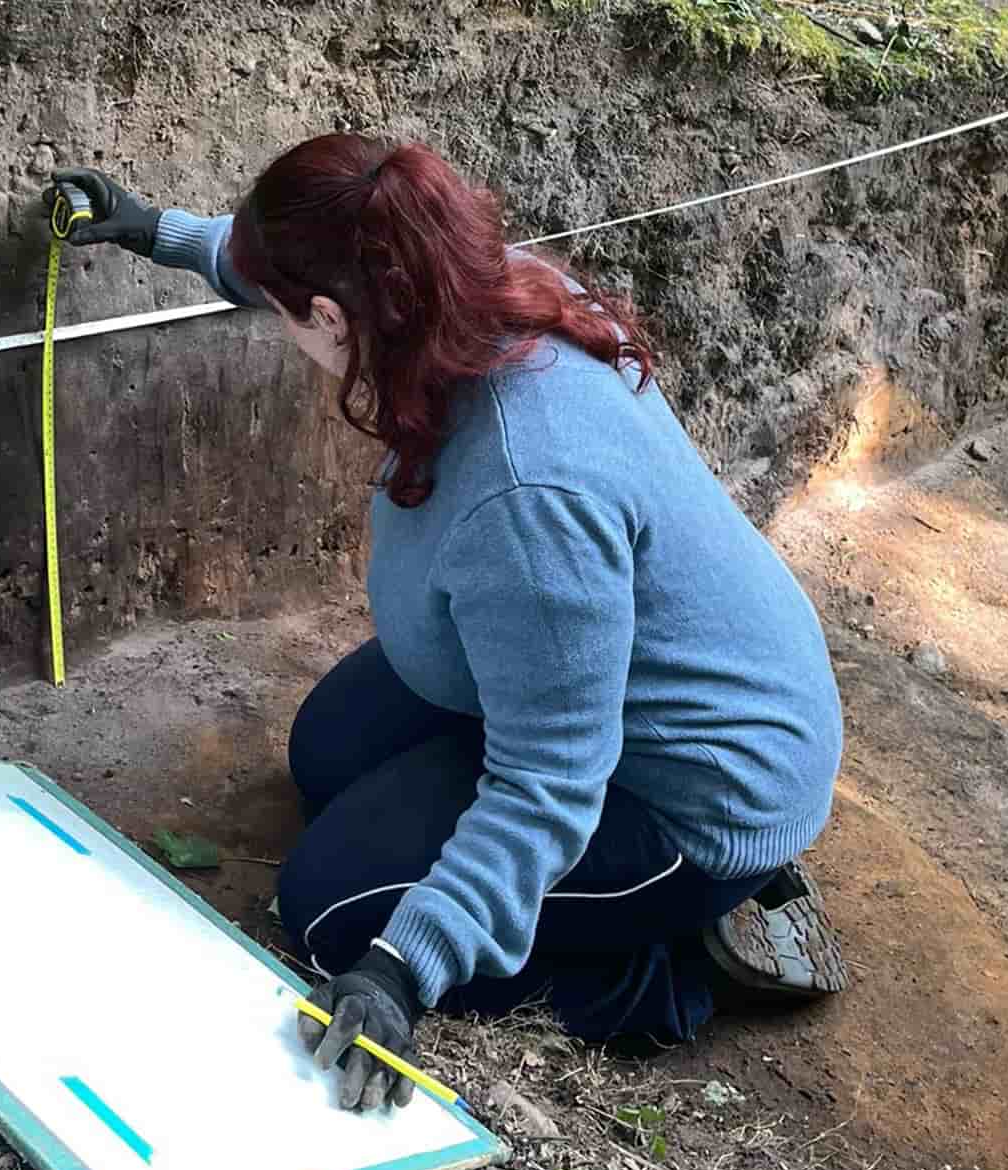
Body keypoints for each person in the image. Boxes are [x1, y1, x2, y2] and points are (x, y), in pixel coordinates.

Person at [46, 135, 847, 1113]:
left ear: (335, 319)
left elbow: (552, 777)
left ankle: (677, 962)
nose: (284, 325)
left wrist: (404, 967)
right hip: (623, 673)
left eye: (292, 315)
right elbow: (311, 268)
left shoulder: (527, 489)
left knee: (333, 909)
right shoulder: (466, 290)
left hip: (694, 791)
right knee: (328, 752)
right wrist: (159, 233)